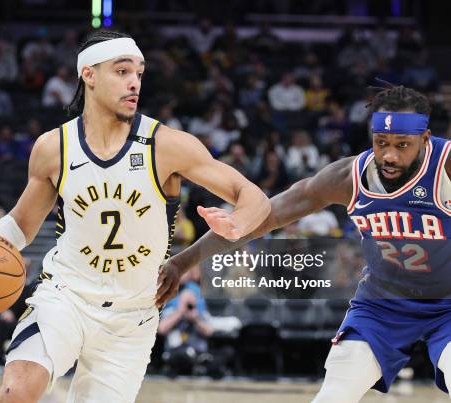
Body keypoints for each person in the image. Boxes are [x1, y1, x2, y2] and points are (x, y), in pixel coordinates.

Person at [0, 29, 270, 403]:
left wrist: (238, 222)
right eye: (122, 71)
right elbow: (21, 224)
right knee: (14, 393)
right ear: (88, 75)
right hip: (66, 297)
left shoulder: (167, 145)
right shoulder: (53, 147)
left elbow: (254, 197)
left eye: (140, 74)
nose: (134, 83)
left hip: (133, 316)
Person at [157, 84, 451, 402]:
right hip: (382, 305)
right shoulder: (348, 178)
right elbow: (264, 217)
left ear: (425, 139)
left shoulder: (444, 167)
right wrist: (181, 262)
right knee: (336, 390)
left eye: (402, 145)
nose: (389, 155)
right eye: (381, 143)